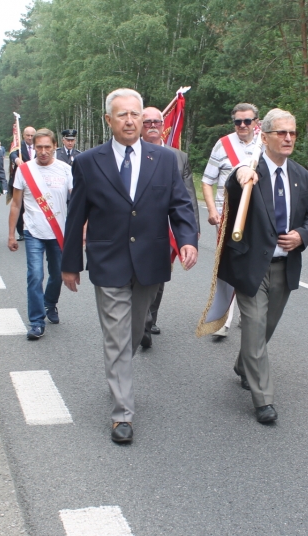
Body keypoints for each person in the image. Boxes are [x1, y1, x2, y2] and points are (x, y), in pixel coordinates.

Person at [61, 88, 199, 444]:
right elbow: (76, 217)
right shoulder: (88, 162)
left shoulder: (165, 159)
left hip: (150, 261)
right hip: (108, 262)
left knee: (135, 332)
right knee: (117, 337)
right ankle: (122, 413)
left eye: (135, 114)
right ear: (108, 120)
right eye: (121, 114)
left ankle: (117, 374)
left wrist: (187, 239)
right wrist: (70, 264)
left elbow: (181, 205)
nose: (129, 120)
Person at [219, 108, 308, 424]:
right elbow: (235, 183)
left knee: (265, 328)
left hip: (284, 267)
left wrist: (301, 235)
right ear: (264, 137)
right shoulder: (250, 170)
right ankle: (263, 399)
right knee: (254, 325)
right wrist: (240, 174)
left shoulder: (301, 175)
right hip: (251, 265)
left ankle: (243, 365)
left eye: (292, 133)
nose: (288, 138)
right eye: (281, 133)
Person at [137, 106, 200, 348]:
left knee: (160, 273)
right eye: (148, 122)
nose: (153, 126)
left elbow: (188, 195)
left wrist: (191, 230)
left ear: (164, 126)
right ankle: (140, 318)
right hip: (138, 226)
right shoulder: (131, 153)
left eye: (157, 122)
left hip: (167, 227)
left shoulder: (178, 157)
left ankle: (149, 319)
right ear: (140, 126)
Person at [201, 103, 262, 337]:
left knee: (252, 264)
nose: (242, 125)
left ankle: (248, 310)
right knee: (228, 264)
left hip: (255, 217)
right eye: (238, 121)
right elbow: (207, 180)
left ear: (256, 122)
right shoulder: (222, 144)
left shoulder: (264, 145)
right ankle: (223, 317)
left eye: (247, 121)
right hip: (226, 216)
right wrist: (212, 210)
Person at [8, 129, 72, 339]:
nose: (43, 151)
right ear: (33, 147)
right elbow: (16, 204)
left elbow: (78, 200)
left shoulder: (65, 170)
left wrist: (82, 229)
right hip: (33, 231)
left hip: (58, 232)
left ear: (55, 146)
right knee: (35, 276)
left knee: (57, 274)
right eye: (39, 147)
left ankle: (50, 303)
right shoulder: (24, 170)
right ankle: (36, 322)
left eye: (47, 147)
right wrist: (11, 234)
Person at [9, 126, 37, 241]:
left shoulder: (38, 145)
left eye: (32, 135)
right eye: (27, 135)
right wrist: (17, 160)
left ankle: (33, 229)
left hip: (35, 181)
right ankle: (21, 232)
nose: (30, 138)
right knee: (20, 207)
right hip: (22, 181)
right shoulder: (19, 146)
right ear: (23, 135)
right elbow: (12, 154)